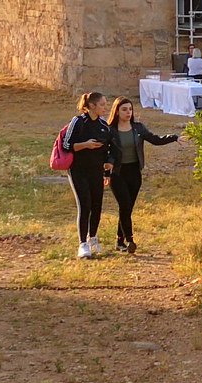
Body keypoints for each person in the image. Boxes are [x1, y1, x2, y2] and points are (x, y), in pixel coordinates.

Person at [104, 98, 178, 255]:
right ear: (116, 111)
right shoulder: (110, 130)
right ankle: (130, 240)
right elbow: (106, 153)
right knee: (124, 205)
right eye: (124, 109)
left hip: (134, 172)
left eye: (130, 109)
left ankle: (119, 240)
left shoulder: (138, 128)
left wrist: (175, 137)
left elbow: (155, 140)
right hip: (117, 173)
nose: (128, 112)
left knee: (127, 208)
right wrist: (106, 171)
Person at [63, 91, 113, 258]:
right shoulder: (78, 122)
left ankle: (93, 238)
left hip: (96, 171)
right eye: (102, 105)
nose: (105, 108)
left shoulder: (104, 125)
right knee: (85, 204)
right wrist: (85, 145)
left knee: (97, 205)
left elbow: (108, 150)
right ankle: (82, 244)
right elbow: (67, 144)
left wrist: (107, 172)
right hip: (78, 170)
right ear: (92, 106)